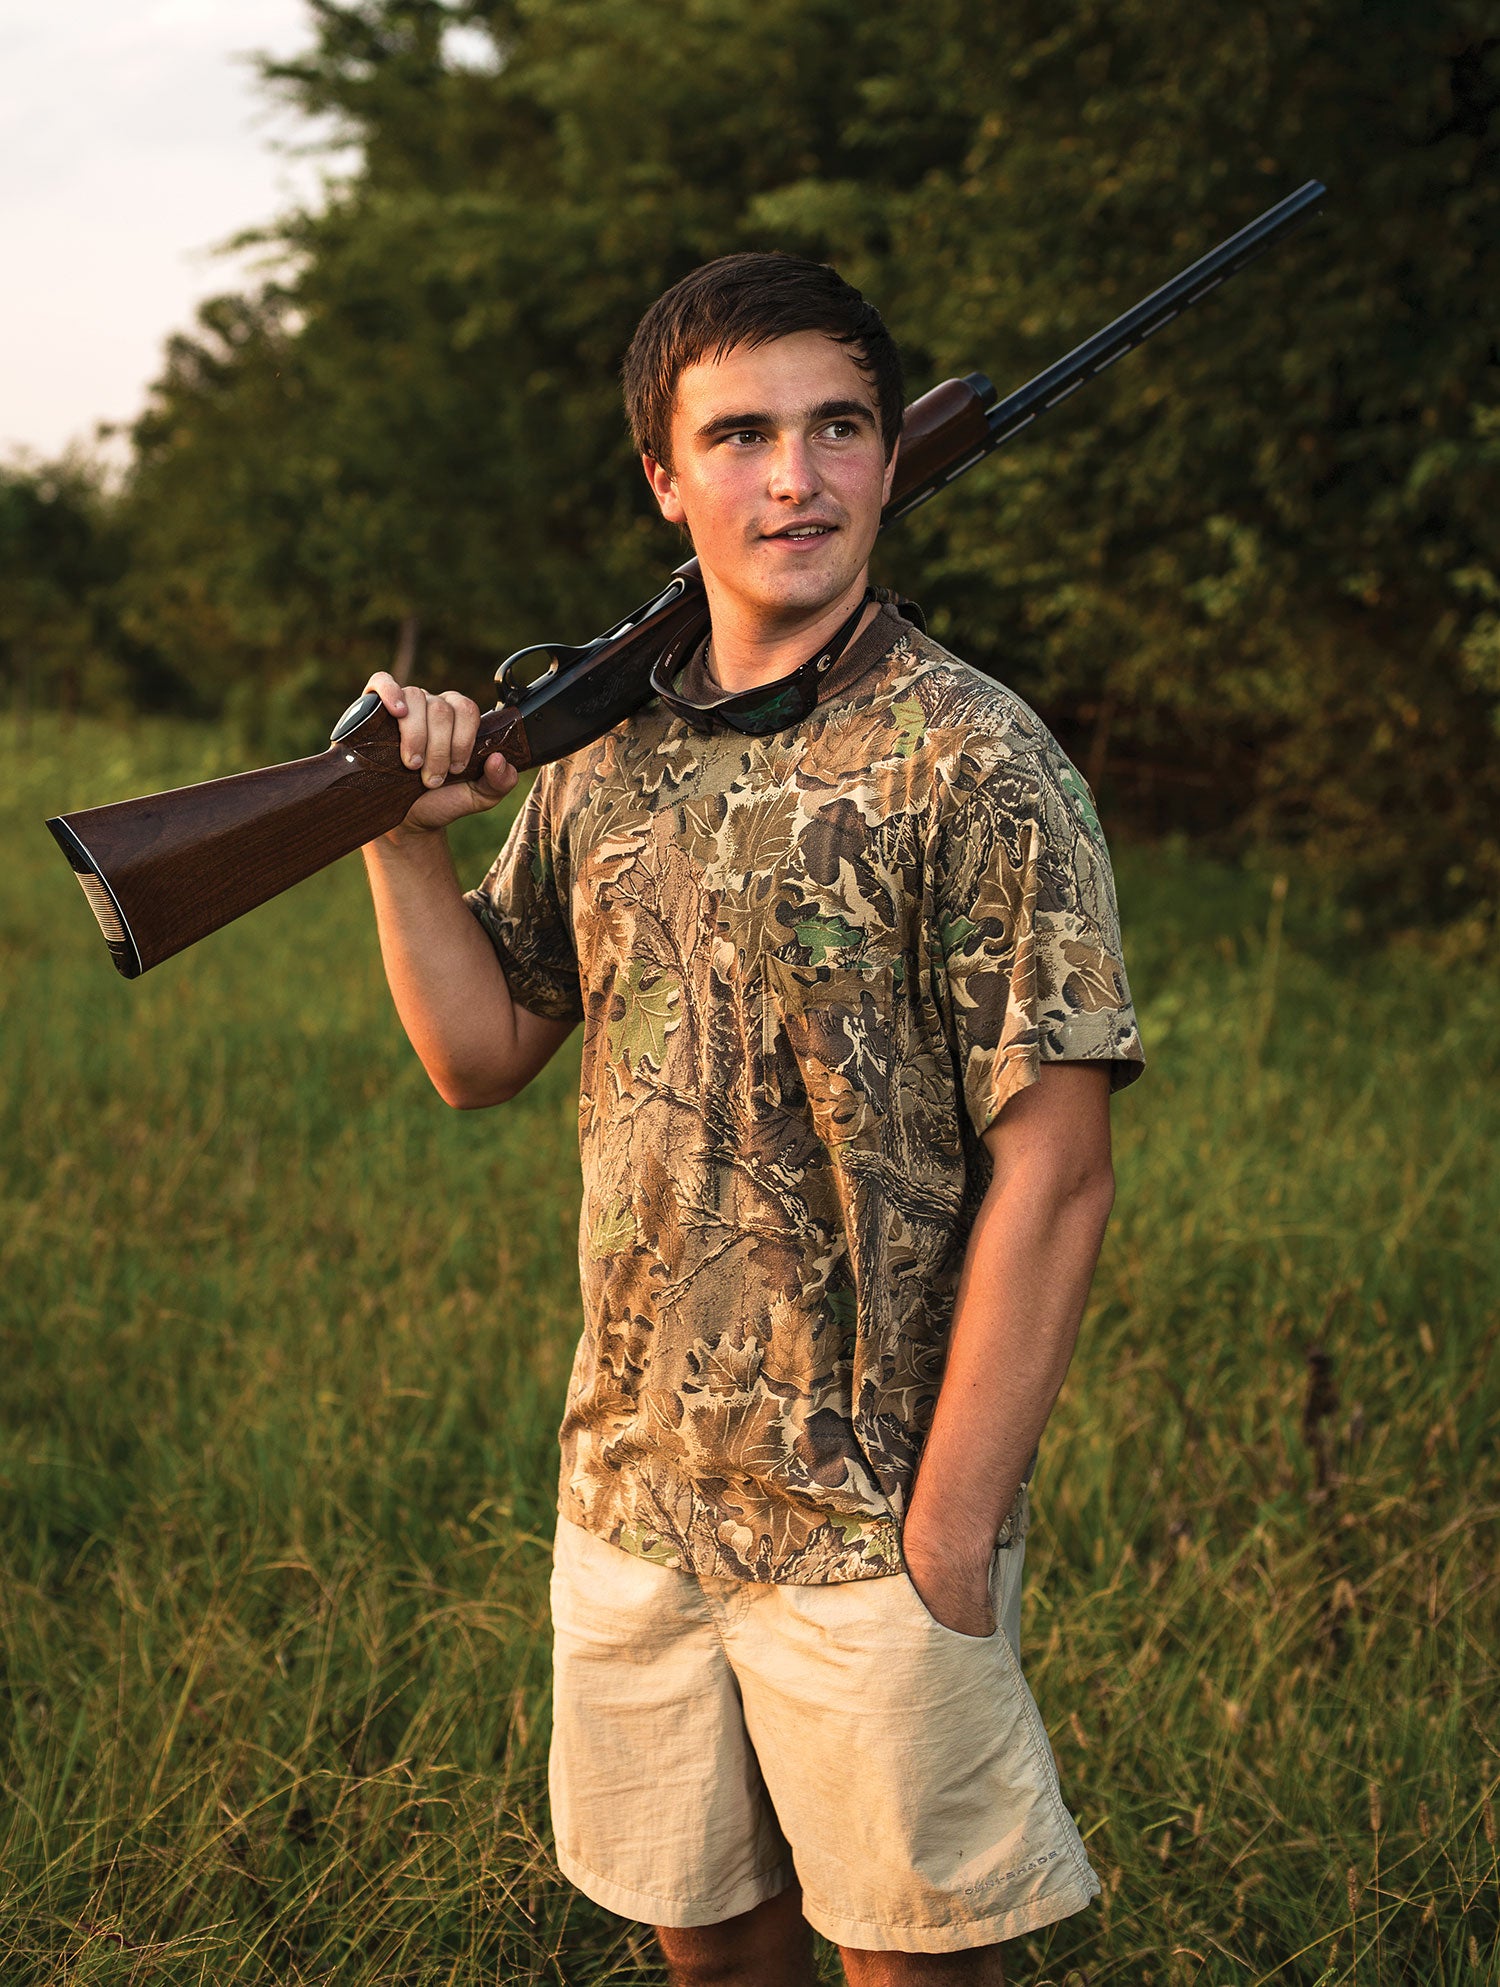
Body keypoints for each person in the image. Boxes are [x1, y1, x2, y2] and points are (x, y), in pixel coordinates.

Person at [359, 253, 1144, 1987]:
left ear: (887, 457)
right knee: (709, 1944)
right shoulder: (599, 757)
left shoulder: (976, 761)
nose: (793, 476)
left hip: (872, 1519)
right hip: (635, 1493)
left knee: (910, 1965)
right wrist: (396, 832)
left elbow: (1062, 1175)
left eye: (837, 427)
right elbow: (478, 1051)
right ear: (666, 476)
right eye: (741, 436)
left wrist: (944, 1533)